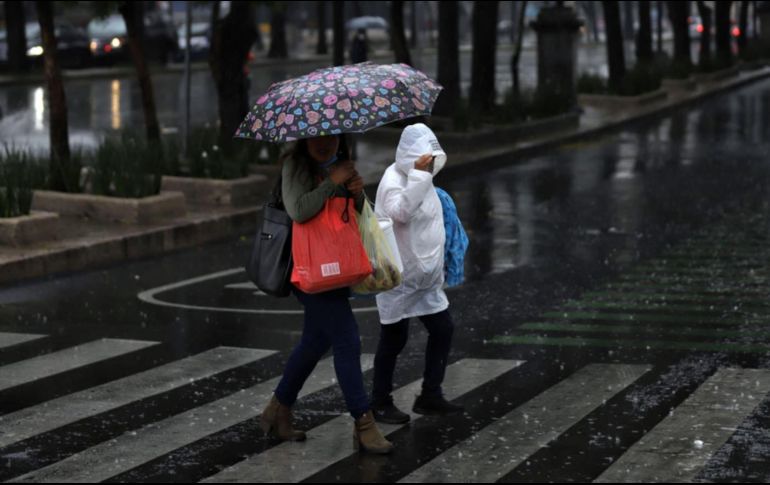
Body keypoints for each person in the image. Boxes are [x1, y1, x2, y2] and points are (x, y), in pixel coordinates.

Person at [259, 134, 393, 454]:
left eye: (332, 138)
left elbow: (358, 216)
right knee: (347, 339)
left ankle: (278, 411)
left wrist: (358, 195)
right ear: (305, 138)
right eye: (318, 139)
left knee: (315, 341)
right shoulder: (296, 165)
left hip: (335, 266)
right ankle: (364, 423)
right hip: (307, 269)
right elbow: (299, 211)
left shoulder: (341, 165)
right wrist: (332, 182)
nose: (324, 144)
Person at [370, 123, 464, 424]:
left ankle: (430, 395)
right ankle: (379, 402)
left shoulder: (424, 181)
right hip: (399, 279)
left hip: (425, 280)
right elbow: (400, 213)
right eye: (426, 157)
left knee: (442, 329)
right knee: (393, 339)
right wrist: (420, 175)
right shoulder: (392, 178)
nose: (431, 163)